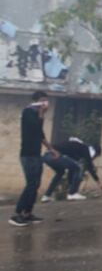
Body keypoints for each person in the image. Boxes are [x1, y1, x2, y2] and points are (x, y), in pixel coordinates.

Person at [12, 91, 56, 226]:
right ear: (36, 100)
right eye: (43, 100)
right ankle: (17, 214)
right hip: (28, 155)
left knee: (36, 184)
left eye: (46, 100)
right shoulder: (28, 112)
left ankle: (27, 213)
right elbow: (36, 127)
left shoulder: (36, 114)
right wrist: (42, 113)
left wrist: (51, 149)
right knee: (31, 184)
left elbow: (41, 135)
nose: (45, 103)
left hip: (36, 155)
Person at [42, 137, 101, 201]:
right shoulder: (85, 148)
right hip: (55, 155)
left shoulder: (75, 151)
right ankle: (72, 193)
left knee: (60, 172)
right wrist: (98, 182)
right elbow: (90, 166)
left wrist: (71, 185)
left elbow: (71, 170)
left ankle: (47, 196)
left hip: (46, 156)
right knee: (78, 168)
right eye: (95, 156)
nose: (94, 158)